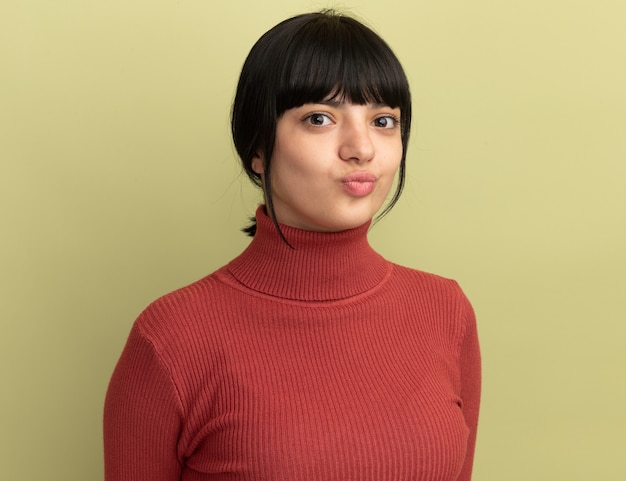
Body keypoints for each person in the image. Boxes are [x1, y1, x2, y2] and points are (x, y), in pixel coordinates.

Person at [104, 10, 481, 481]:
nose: (361, 147)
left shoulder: (446, 312)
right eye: (319, 118)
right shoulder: (171, 338)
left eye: (383, 120)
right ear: (258, 149)